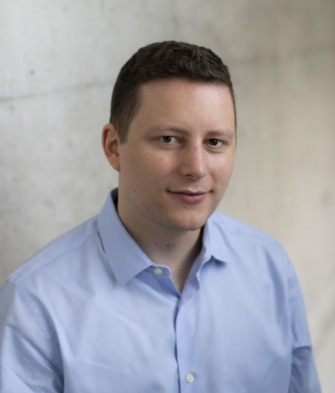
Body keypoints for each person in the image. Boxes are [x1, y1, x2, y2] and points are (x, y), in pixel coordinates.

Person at [0, 41, 321, 393]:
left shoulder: (270, 267)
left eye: (214, 142)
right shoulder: (36, 303)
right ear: (113, 147)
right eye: (169, 139)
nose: (196, 168)